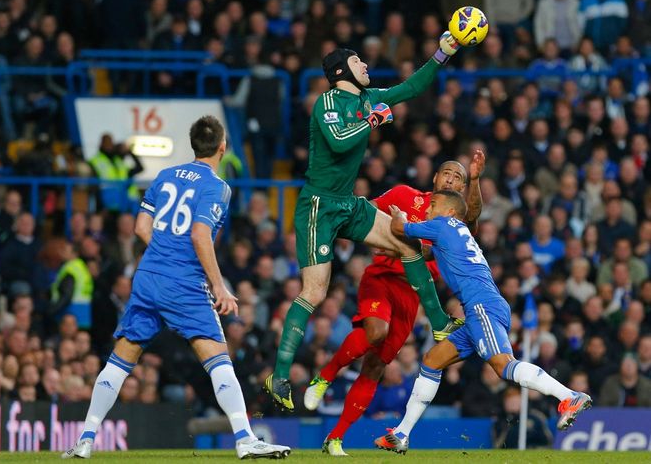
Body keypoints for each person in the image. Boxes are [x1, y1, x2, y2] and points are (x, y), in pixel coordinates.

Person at [62, 116, 290, 460]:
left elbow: (141, 227)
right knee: (218, 359)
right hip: (184, 283)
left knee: (121, 358)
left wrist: (165, 253)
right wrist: (220, 287)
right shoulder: (218, 187)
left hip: (149, 275)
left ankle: (86, 439)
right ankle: (245, 439)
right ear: (223, 147)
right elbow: (200, 235)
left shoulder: (165, 175)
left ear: (193, 144)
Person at [265, 31, 463, 411]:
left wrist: (443, 52)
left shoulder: (369, 97)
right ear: (341, 70)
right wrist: (373, 120)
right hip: (318, 206)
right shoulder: (328, 101)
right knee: (314, 292)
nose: (366, 65)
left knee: (406, 241)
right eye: (358, 61)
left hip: (347, 203)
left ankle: (438, 321)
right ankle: (279, 376)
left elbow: (410, 88)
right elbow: (339, 141)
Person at [374, 190, 591, 454]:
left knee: (502, 366)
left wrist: (399, 215)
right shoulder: (456, 231)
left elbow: (400, 227)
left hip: (481, 306)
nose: (428, 209)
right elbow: (429, 253)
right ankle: (402, 434)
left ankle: (568, 396)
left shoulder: (442, 225)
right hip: (482, 307)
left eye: (433, 205)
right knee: (432, 360)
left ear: (450, 211)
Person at [303, 156, 485, 456]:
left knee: (375, 366)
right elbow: (366, 213)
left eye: (458, 177)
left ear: (462, 187)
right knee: (376, 331)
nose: (451, 179)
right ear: (436, 177)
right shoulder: (405, 196)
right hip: (383, 278)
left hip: (412, 296)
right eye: (447, 173)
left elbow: (473, 215)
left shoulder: (455, 222)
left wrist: (476, 181)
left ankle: (334, 438)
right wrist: (362, 234)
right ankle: (325, 375)